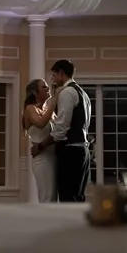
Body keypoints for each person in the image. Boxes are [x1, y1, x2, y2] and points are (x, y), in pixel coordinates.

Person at [31, 59, 91, 202]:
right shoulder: (83, 93)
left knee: (68, 198)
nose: (52, 79)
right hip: (83, 151)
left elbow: (60, 129)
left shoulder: (67, 93)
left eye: (54, 75)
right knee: (78, 197)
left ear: (61, 73)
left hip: (70, 153)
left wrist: (41, 146)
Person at [22, 78, 57, 202]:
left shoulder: (48, 110)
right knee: (47, 197)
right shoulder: (30, 109)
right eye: (44, 87)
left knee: (53, 198)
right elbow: (40, 123)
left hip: (54, 157)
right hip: (42, 159)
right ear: (35, 93)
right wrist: (54, 103)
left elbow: (58, 131)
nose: (48, 89)